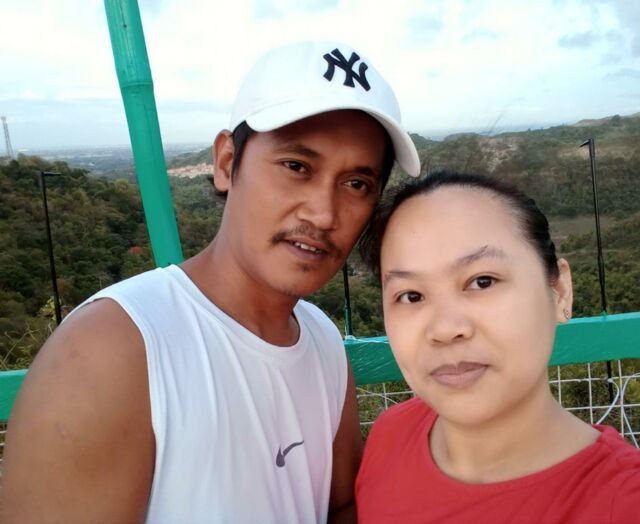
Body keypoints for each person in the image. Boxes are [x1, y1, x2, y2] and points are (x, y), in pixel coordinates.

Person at [2, 41, 420, 523]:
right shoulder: (114, 350)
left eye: (356, 184)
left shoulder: (323, 340)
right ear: (226, 162)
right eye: (296, 167)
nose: (324, 213)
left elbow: (339, 505)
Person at [355, 171, 640, 523]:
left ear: (560, 291)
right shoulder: (391, 435)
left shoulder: (621, 503)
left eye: (482, 281)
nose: (445, 329)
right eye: (411, 296)